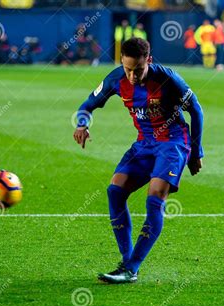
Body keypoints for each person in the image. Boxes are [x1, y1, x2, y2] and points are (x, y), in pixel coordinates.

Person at [73, 38, 204, 284]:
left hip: (173, 143)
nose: (132, 76)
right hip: (144, 143)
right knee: (115, 191)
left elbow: (196, 110)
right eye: (128, 69)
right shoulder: (115, 79)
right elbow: (87, 105)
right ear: (121, 61)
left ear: (149, 61)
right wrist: (82, 124)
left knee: (154, 198)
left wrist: (196, 153)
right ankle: (126, 261)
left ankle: (132, 267)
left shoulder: (168, 79)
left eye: (138, 70)